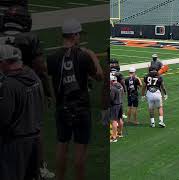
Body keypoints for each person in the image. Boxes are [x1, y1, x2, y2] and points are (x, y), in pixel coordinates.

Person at [0, 5, 55, 179]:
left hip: (4, 88)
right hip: (26, 89)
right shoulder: (29, 38)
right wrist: (47, 92)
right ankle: (39, 166)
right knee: (34, 128)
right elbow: (41, 68)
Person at [46, 18, 103, 180]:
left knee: (61, 147)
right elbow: (99, 76)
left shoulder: (52, 58)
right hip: (81, 107)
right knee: (79, 154)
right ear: (74, 35)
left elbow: (51, 82)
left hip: (62, 107)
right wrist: (95, 59)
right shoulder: (83, 56)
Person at [0, 44, 43, 180]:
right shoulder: (33, 77)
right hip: (35, 139)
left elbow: (4, 118)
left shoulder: (9, 85)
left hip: (16, 144)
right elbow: (41, 105)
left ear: (4, 63)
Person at [110, 74, 125, 143]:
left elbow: (111, 98)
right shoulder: (120, 86)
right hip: (121, 104)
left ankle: (114, 137)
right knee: (120, 119)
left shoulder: (113, 88)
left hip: (115, 105)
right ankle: (120, 133)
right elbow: (123, 94)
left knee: (114, 121)